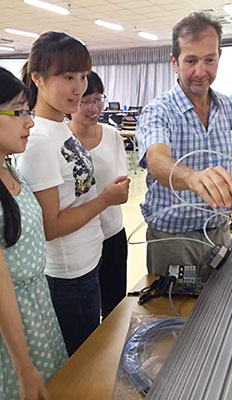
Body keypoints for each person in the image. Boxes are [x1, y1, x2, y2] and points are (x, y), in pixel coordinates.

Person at [16, 32, 129, 356]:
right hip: (68, 278)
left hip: (86, 265)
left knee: (91, 353)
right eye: (68, 77)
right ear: (37, 78)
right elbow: (50, 226)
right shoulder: (38, 141)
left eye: (82, 76)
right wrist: (105, 199)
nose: (79, 87)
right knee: (81, 363)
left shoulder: (59, 130)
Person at [136, 12, 232, 282]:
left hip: (219, 234)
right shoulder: (158, 110)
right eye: (191, 61)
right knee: (173, 318)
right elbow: (157, 160)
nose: (201, 72)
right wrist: (192, 177)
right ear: (174, 63)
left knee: (220, 314)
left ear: (219, 58)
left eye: (209, 60)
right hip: (172, 241)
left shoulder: (228, 108)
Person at [0, 67, 67, 399]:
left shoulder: (8, 167)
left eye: (28, 111)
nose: (29, 121)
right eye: (19, 111)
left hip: (36, 307)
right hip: (11, 327)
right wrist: (22, 365)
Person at [69, 71, 128, 319]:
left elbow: (123, 190)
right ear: (72, 102)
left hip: (112, 234)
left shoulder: (112, 135)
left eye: (98, 99)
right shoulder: (63, 141)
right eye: (86, 101)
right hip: (79, 239)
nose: (93, 108)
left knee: (115, 307)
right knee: (86, 315)